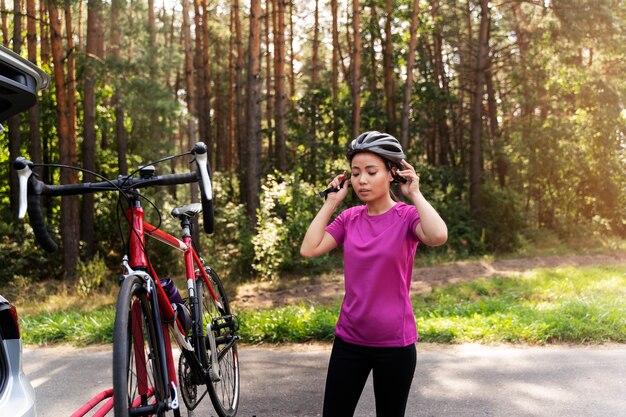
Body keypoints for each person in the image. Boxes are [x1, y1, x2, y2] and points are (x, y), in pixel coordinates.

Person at [300, 131, 448, 417]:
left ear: (393, 173)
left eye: (371, 172)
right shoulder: (349, 218)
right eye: (355, 173)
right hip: (349, 340)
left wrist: (415, 194)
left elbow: (438, 235)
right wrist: (331, 202)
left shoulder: (407, 217)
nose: (362, 180)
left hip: (395, 344)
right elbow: (309, 248)